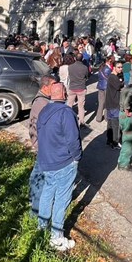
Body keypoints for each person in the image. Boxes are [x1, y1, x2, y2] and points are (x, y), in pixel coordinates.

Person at [35, 82, 82, 251]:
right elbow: (73, 139)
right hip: (63, 162)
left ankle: (42, 226)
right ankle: (56, 237)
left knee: (48, 193)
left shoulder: (44, 110)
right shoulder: (66, 113)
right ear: (63, 94)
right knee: (62, 198)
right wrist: (77, 157)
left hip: (46, 161)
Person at [28, 75, 56, 218]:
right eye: (53, 85)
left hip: (42, 146)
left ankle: (32, 199)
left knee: (37, 173)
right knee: (41, 178)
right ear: (45, 87)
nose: (56, 88)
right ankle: (36, 211)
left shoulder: (43, 100)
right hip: (44, 147)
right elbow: (36, 127)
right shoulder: (42, 103)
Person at [117, 84, 132, 170]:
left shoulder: (127, 88)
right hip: (127, 117)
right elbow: (127, 101)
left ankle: (123, 159)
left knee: (125, 139)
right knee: (129, 141)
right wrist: (128, 111)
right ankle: (123, 164)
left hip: (122, 115)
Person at [66, 53, 90, 127]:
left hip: (72, 87)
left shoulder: (70, 67)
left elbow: (70, 76)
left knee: (69, 105)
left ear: (75, 58)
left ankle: (67, 120)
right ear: (82, 59)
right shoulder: (84, 67)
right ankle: (81, 122)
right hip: (81, 88)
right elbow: (87, 76)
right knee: (81, 106)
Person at [105, 60, 124, 149]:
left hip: (110, 103)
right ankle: (115, 142)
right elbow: (118, 86)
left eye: (121, 67)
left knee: (110, 123)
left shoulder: (113, 77)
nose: (121, 69)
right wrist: (122, 82)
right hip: (114, 103)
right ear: (114, 68)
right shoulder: (113, 77)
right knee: (115, 124)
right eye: (119, 67)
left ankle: (109, 140)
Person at [96, 56, 112, 124]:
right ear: (109, 61)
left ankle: (98, 117)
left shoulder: (101, 68)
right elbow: (110, 78)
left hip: (100, 86)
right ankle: (106, 117)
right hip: (106, 87)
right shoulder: (108, 69)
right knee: (107, 103)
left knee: (101, 103)